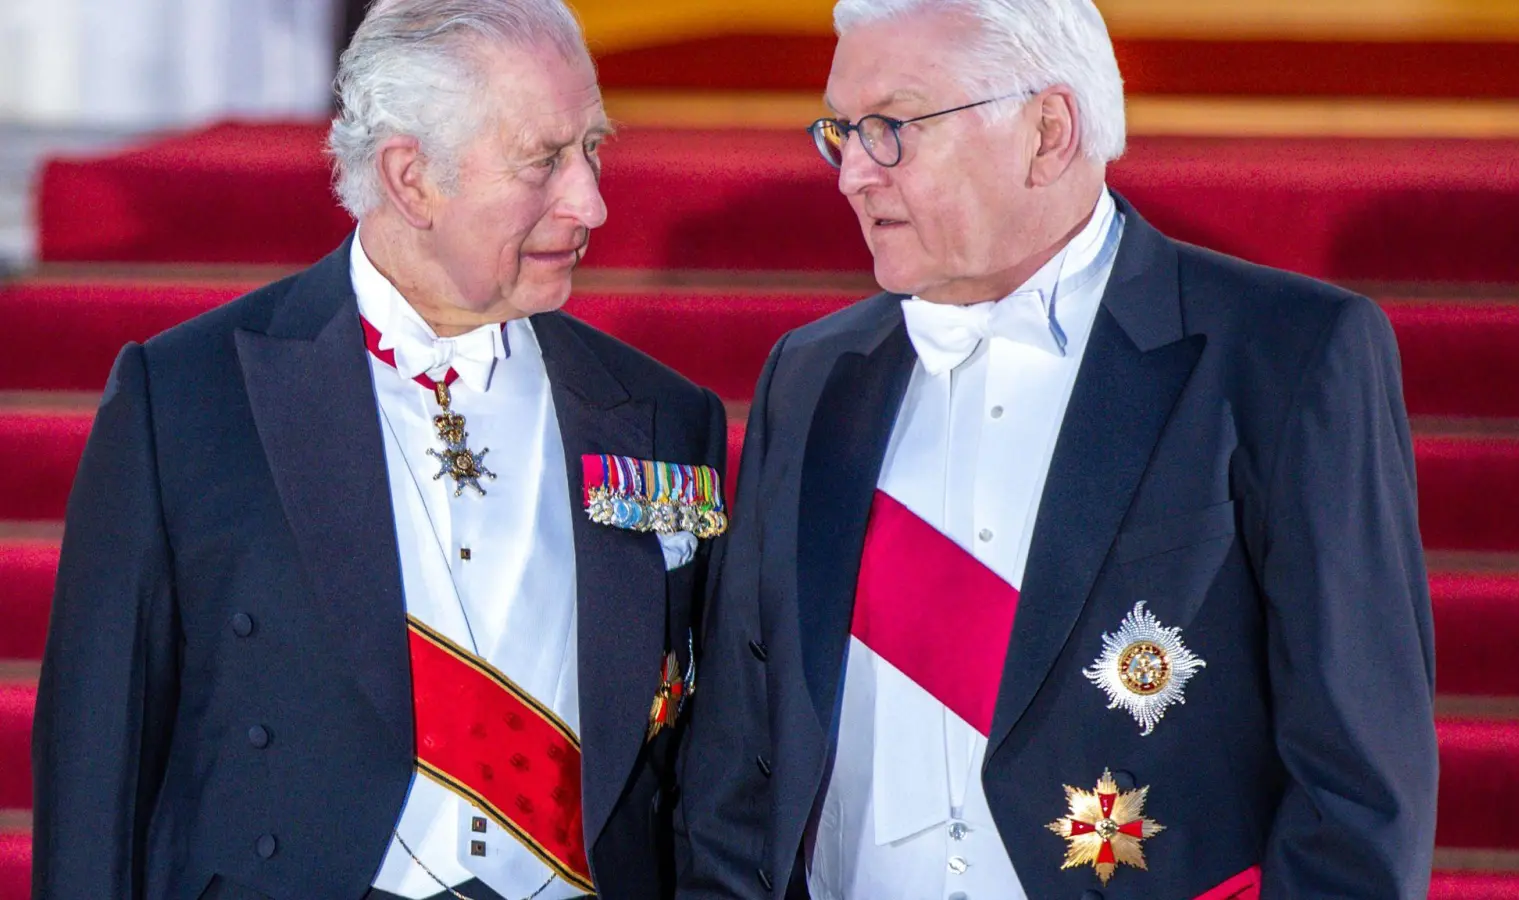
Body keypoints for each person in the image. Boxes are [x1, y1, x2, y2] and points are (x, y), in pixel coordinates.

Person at [675, 0, 1437, 897]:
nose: (851, 175)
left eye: (890, 130)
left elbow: (1358, 794)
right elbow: (735, 765)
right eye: (840, 131)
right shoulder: (811, 376)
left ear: (1048, 131)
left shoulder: (1286, 356)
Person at [32, 2, 727, 898]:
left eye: (593, 147)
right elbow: (99, 761)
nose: (590, 199)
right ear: (411, 178)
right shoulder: (188, 399)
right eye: (544, 161)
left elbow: (709, 779)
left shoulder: (665, 418)